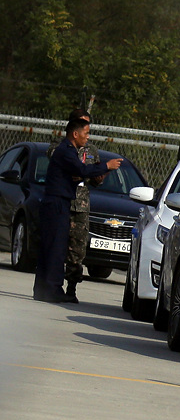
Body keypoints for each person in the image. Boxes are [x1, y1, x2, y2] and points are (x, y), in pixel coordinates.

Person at [34, 115, 121, 304]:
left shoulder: (69, 151)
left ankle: (42, 289)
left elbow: (77, 172)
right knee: (56, 248)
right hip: (57, 203)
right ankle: (53, 288)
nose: (88, 137)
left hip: (57, 202)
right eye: (86, 133)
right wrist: (106, 165)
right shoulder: (66, 150)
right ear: (75, 133)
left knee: (50, 247)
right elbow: (81, 170)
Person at [62, 109, 101, 304]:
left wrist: (97, 176)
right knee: (57, 246)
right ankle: (52, 284)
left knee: (77, 249)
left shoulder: (91, 150)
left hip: (81, 205)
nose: (86, 131)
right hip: (62, 202)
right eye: (82, 124)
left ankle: (72, 287)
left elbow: (95, 177)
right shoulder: (60, 147)